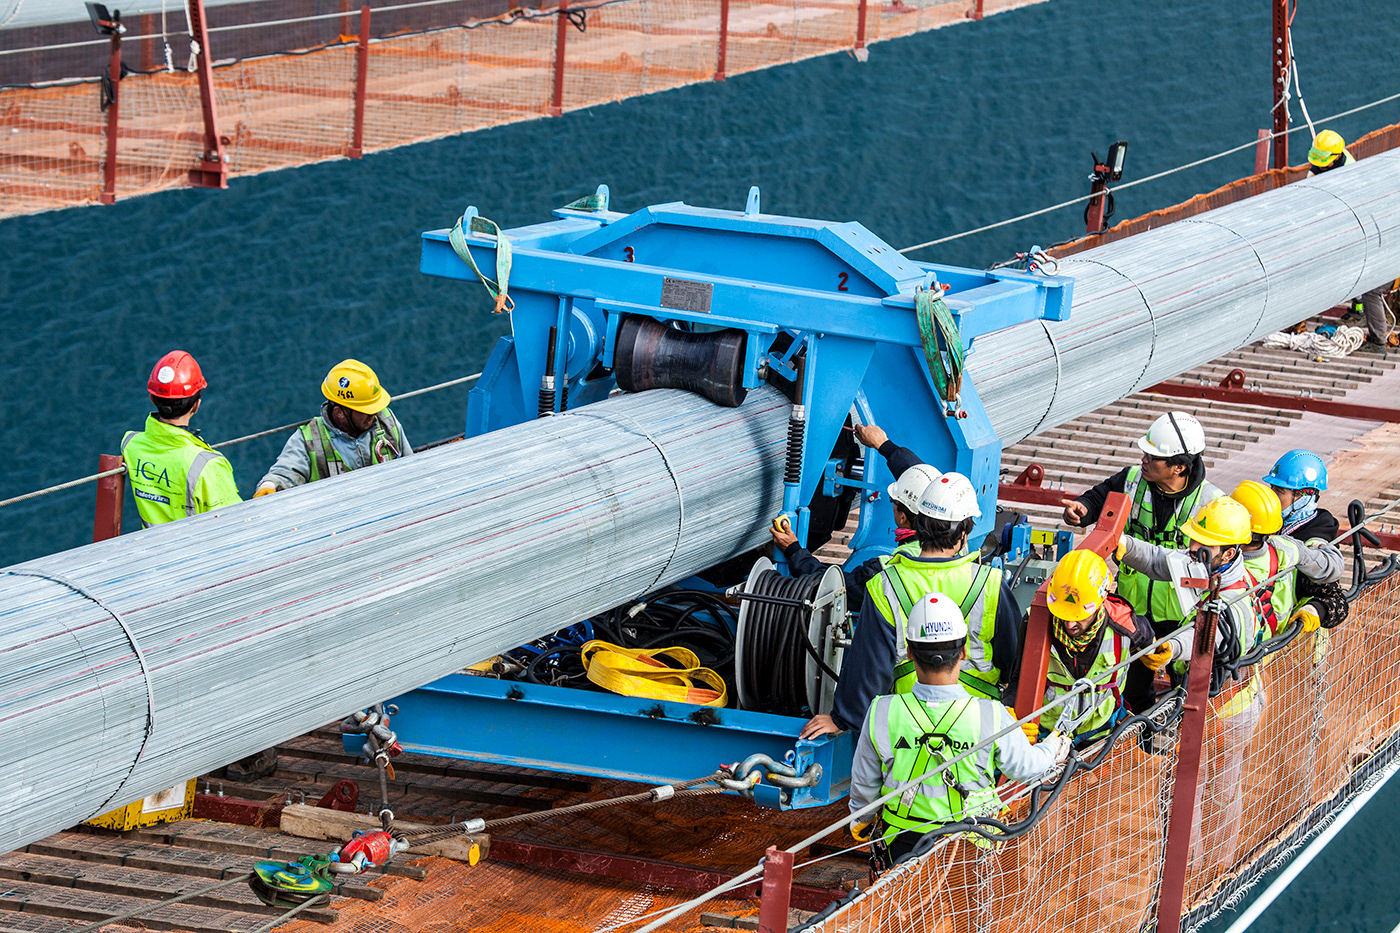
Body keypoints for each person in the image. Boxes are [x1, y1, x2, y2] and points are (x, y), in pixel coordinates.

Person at [847, 593, 1071, 864]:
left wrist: (861, 817)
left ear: (909, 652)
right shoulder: (991, 715)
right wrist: (1054, 746)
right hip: (971, 848)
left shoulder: (882, 711)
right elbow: (1028, 768)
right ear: (964, 652)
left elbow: (865, 784)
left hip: (901, 847)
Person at [800, 472, 1021, 739]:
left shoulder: (885, 585)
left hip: (908, 725)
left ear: (920, 525)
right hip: (977, 725)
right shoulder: (990, 583)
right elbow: (1012, 660)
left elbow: (870, 666)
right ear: (963, 533)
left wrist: (843, 717)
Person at [1116, 496, 1262, 870]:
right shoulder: (1208, 567)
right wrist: (1124, 544)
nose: (1193, 550)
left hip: (1228, 708)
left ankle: (1210, 869)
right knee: (1187, 789)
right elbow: (1159, 561)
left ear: (1229, 553)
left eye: (1203, 545)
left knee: (1217, 790)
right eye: (1194, 541)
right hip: (1204, 703)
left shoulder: (1236, 596)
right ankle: (1190, 868)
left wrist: (1172, 649)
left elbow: (1214, 635)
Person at [1062, 411, 1222, 712]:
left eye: (1153, 457)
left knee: (1188, 688)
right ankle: (1141, 737)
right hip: (1133, 611)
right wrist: (1081, 509)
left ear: (1179, 467)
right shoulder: (1131, 480)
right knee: (1132, 688)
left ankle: (1176, 731)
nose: (1144, 459)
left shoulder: (1211, 503)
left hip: (1182, 614)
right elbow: (1097, 499)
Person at [770, 461, 942, 614]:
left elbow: (836, 589)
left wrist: (794, 551)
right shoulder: (951, 549)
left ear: (902, 517)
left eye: (893, 501)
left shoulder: (891, 568)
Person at [1035, 550, 1168, 744]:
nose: (1070, 624)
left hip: (1100, 735)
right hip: (1048, 738)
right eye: (1064, 614)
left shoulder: (1127, 627)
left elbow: (1149, 655)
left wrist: (1160, 651)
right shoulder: (1034, 623)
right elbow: (1016, 679)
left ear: (1101, 600)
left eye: (1079, 615)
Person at [122, 350, 242, 527]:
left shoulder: (130, 445)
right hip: (196, 544)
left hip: (151, 543)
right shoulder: (208, 465)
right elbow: (235, 522)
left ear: (152, 399)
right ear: (196, 405)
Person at [255, 360, 411, 495]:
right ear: (340, 412)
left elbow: (411, 465)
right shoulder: (308, 440)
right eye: (366, 410)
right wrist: (269, 485)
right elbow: (285, 473)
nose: (375, 413)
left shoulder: (386, 420)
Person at [1309, 130, 1397, 348]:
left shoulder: (1350, 174)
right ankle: (1362, 313)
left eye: (1323, 161)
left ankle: (1376, 338)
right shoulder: (1321, 167)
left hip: (1361, 233)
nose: (1319, 165)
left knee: (1370, 286)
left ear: (1337, 156)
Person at [1231, 480, 1344, 640]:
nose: (1272, 496)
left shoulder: (1288, 549)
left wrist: (1315, 609)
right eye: (1272, 488)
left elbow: (1337, 600)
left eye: (1279, 490)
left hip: (1296, 643)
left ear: (1303, 497)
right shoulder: (1279, 537)